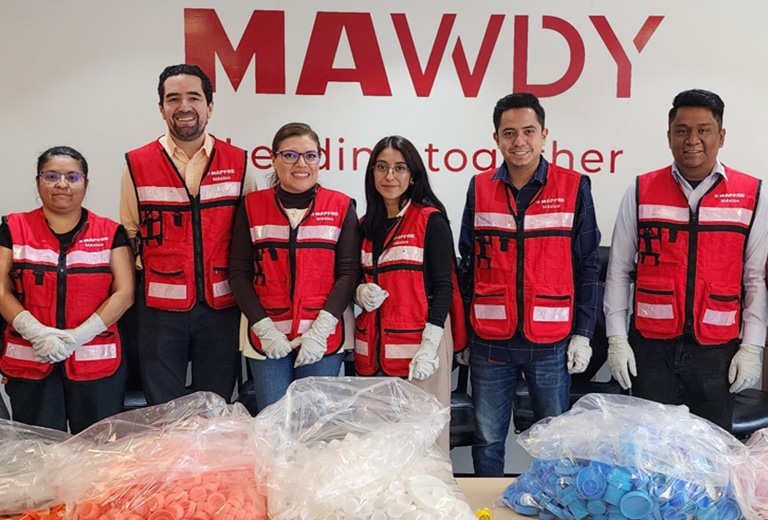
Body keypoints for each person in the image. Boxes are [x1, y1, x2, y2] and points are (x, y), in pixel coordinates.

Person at [604, 89, 768, 431]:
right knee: (650, 449)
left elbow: (755, 278)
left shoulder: (753, 194)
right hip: (651, 348)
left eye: (703, 130)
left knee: (711, 453)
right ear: (669, 136)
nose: (692, 139)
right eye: (682, 130)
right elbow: (619, 271)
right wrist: (617, 339)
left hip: (717, 350)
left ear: (721, 136)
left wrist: (752, 346)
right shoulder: (640, 190)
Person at [459, 92, 601, 476]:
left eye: (528, 131)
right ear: (496, 138)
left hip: (551, 341)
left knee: (556, 440)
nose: (518, 141)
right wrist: (466, 333)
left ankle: (553, 507)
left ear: (544, 135)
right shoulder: (480, 187)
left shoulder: (573, 187)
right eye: (509, 133)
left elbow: (588, 265)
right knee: (487, 439)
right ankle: (486, 511)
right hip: (490, 341)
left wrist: (584, 333)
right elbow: (467, 263)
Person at [120, 64, 258, 405]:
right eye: (173, 98)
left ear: (210, 106)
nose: (184, 106)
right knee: (162, 408)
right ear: (162, 108)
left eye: (194, 97)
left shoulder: (239, 162)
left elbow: (251, 234)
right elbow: (130, 233)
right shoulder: (136, 164)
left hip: (222, 307)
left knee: (215, 406)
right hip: (159, 311)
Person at [0, 146, 134, 433]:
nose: (62, 184)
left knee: (97, 454)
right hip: (31, 360)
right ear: (38, 182)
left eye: (73, 177)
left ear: (85, 183)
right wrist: (35, 331)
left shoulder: (111, 232)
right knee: (39, 452)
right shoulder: (12, 227)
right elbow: (0, 288)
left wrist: (78, 337)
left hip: (96, 363)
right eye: (51, 175)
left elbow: (124, 293)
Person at [229, 122, 359, 409]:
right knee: (273, 429)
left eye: (310, 155)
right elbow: (238, 273)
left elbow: (348, 273)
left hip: (322, 337)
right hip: (267, 338)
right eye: (290, 155)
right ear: (274, 159)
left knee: (311, 430)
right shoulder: (251, 206)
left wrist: (321, 329)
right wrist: (264, 328)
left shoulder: (341, 206)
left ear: (320, 159)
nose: (301, 163)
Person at [354, 135, 466, 454]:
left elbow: (445, 285)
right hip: (374, 351)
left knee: (423, 445)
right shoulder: (363, 227)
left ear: (413, 174)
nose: (390, 176)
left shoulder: (430, 220)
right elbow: (350, 278)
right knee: (376, 445)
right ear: (372, 173)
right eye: (382, 167)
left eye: (399, 168)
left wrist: (430, 346)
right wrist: (359, 292)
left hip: (421, 351)